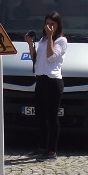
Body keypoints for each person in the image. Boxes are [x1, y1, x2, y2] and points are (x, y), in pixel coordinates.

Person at [24, 12, 67, 160]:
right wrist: (30, 44)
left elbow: (50, 56)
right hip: (41, 80)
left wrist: (50, 37)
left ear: (57, 25)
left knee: (51, 116)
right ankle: (41, 146)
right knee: (40, 115)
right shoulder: (43, 40)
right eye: (47, 23)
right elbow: (36, 59)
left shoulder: (61, 41)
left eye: (53, 24)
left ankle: (51, 150)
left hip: (53, 82)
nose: (49, 26)